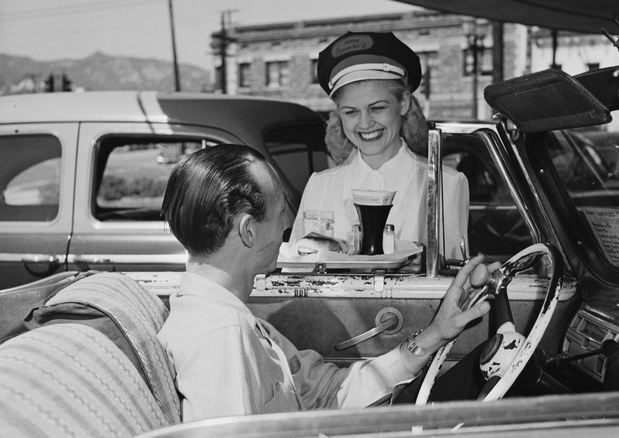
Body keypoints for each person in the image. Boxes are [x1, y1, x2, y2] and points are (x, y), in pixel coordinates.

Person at [158, 143, 495, 422]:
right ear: (249, 230)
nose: (286, 225)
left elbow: (326, 393)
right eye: (280, 211)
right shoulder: (220, 336)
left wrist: (435, 334)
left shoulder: (230, 318)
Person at [288, 31, 470, 260]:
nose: (365, 123)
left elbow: (454, 272)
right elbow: (294, 268)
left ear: (403, 103)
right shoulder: (320, 187)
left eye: (377, 108)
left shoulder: (446, 184)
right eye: (351, 112)